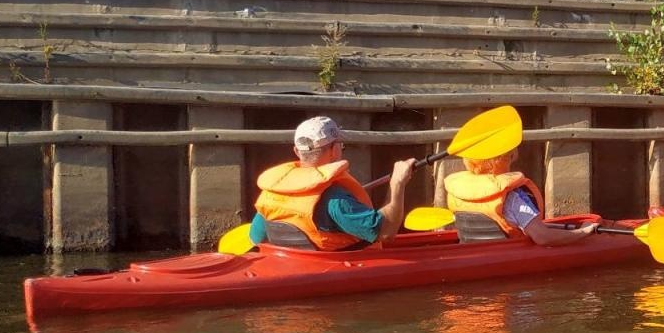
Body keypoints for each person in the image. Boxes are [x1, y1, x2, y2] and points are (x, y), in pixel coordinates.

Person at [249, 116, 415, 250]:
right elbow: (386, 233)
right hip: (337, 267)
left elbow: (257, 238)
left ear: (297, 151)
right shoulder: (336, 200)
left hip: (291, 263)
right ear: (335, 149)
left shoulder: (271, 193)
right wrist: (397, 184)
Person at [443, 150, 598, 247]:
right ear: (509, 156)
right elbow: (542, 237)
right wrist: (584, 232)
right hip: (506, 256)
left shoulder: (457, 190)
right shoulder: (513, 197)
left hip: (472, 251)